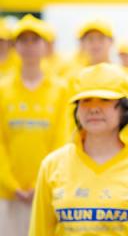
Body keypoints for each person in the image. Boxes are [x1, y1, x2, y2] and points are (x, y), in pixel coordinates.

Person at [29, 63, 128, 236]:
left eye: (105, 100)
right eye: (86, 100)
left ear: (124, 108)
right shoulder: (52, 165)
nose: (94, 108)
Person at [0, 14, 69, 236]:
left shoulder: (60, 90)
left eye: (35, 40)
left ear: (46, 45)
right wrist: (12, 184)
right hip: (8, 193)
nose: (29, 47)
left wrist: (42, 182)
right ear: (14, 46)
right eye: (23, 40)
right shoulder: (2, 89)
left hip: (49, 189)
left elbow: (62, 140)